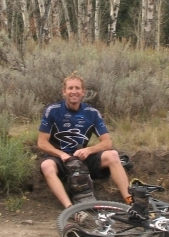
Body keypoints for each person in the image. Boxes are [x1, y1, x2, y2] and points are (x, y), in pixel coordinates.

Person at [37, 73, 132, 209]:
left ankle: (129, 200)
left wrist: (88, 150)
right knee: (46, 166)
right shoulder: (52, 111)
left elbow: (107, 143)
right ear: (64, 92)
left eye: (77, 88)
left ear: (83, 92)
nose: (74, 91)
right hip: (59, 159)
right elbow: (42, 143)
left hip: (82, 159)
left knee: (113, 155)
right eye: (70, 88)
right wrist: (61, 154)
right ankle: (70, 209)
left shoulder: (92, 113)